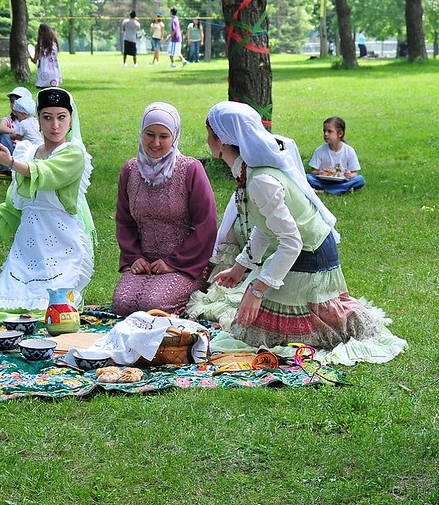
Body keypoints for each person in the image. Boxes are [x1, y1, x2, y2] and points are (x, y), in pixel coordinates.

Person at [204, 101, 391, 350]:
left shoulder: (260, 180)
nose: (207, 139)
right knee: (247, 324)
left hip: (311, 256)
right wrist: (240, 268)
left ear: (223, 141)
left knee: (257, 333)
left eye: (209, 133)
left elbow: (292, 242)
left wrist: (258, 290)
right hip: (299, 253)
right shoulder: (251, 172)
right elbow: (265, 226)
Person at [0, 87, 95, 318]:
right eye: (47, 118)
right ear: (38, 120)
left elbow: (45, 173)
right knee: (2, 310)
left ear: (70, 119)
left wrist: (10, 162)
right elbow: (16, 206)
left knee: (51, 311)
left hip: (61, 245)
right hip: (27, 248)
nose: (55, 126)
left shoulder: (73, 154)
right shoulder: (27, 152)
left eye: (61, 117)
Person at [111, 102, 217, 317]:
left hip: (186, 263)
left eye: (164, 136)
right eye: (150, 134)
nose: (156, 143)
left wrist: (173, 263)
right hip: (144, 262)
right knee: (122, 305)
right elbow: (124, 220)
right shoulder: (131, 170)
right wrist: (134, 258)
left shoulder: (190, 169)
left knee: (155, 306)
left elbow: (206, 224)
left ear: (175, 136)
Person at [306, 116, 365, 195]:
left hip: (342, 180)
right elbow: (313, 171)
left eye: (329, 131)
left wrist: (349, 175)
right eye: (324, 131)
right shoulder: (320, 150)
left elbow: (355, 173)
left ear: (340, 134)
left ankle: (324, 191)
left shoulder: (349, 151)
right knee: (307, 177)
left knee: (360, 180)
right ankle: (343, 189)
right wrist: (320, 172)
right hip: (324, 181)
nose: (326, 134)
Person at [30, 22, 61, 88]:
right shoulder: (55, 45)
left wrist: (31, 57)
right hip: (54, 72)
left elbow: (35, 60)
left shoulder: (38, 46)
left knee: (43, 93)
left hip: (43, 74)